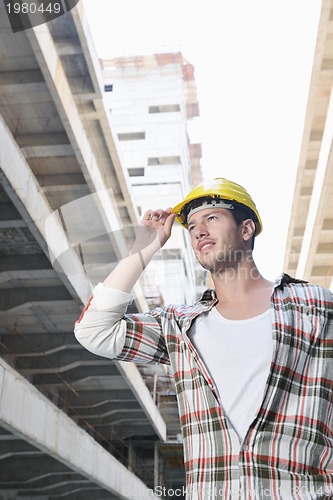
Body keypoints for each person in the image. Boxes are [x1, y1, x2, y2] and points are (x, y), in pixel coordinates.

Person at [74, 178, 333, 499]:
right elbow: (95, 331)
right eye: (192, 225)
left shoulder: (314, 306)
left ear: (247, 228)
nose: (198, 230)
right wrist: (142, 252)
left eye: (211, 218)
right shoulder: (180, 325)